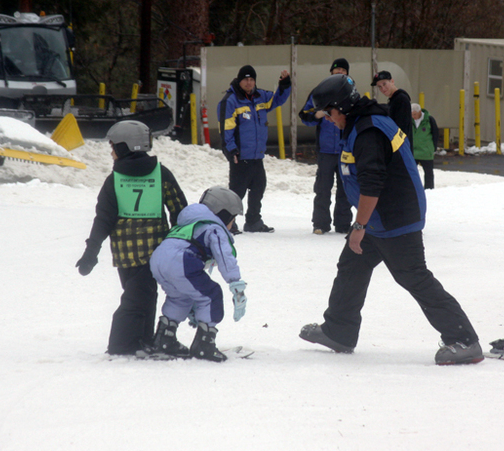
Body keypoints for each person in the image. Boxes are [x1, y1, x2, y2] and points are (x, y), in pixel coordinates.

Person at [298, 74, 482, 365]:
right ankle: (339, 331)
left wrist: (358, 226)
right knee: (351, 266)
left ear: (342, 107)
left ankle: (464, 340)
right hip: (379, 217)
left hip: (394, 218)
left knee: (413, 277)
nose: (329, 121)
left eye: (330, 114)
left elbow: (373, 184)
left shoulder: (368, 131)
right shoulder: (364, 119)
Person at [76, 121, 188, 355]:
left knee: (138, 296)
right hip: (157, 253)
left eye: (113, 146)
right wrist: (179, 243)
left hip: (125, 255)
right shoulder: (161, 174)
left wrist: (91, 252)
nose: (111, 151)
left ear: (125, 146)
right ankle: (131, 341)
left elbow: (102, 220)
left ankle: (132, 341)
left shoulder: (114, 180)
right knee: (142, 297)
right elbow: (180, 210)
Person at [144, 187, 247, 362]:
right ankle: (204, 345)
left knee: (179, 298)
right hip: (182, 262)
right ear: (224, 213)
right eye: (233, 218)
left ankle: (164, 338)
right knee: (211, 295)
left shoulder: (189, 223)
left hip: (158, 260)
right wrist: (235, 282)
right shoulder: (214, 228)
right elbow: (224, 256)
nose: (232, 225)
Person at [218, 65, 291, 234]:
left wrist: (285, 84)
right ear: (239, 80)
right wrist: (231, 151)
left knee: (258, 187)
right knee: (237, 192)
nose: (249, 83)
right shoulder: (230, 100)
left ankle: (253, 221)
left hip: (257, 156)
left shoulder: (261, 97)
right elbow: (226, 129)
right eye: (246, 79)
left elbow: (278, 100)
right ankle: (229, 224)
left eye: (252, 80)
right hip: (240, 155)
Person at [299, 58, 352, 235]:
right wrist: (317, 114)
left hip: (346, 150)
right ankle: (320, 223)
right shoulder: (320, 91)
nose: (339, 73)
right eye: (336, 70)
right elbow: (304, 115)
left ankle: (343, 224)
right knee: (322, 188)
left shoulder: (351, 92)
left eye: (343, 70)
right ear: (331, 73)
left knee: (346, 188)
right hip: (326, 150)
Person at [371, 70, 413, 150]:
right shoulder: (393, 100)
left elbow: (401, 128)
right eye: (379, 86)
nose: (383, 88)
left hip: (401, 150)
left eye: (384, 84)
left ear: (392, 81)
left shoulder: (401, 100)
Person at [411, 103, 439, 189]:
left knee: (428, 172)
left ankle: (429, 188)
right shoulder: (408, 120)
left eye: (415, 114)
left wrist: (433, 148)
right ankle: (413, 189)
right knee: (411, 172)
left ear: (419, 112)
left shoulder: (429, 120)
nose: (413, 116)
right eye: (411, 114)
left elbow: (435, 134)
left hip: (426, 151)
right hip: (413, 151)